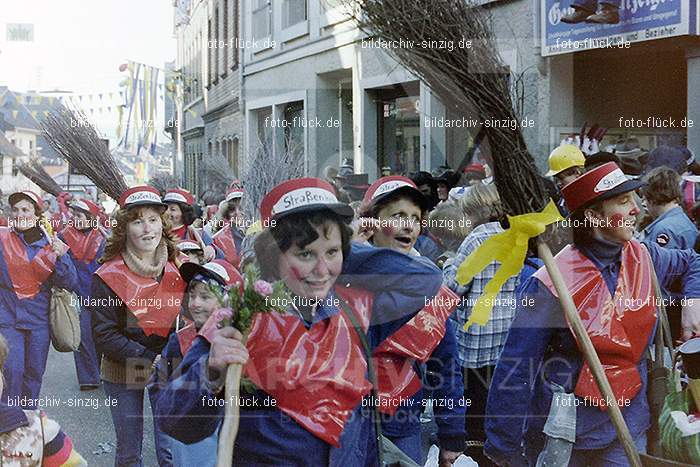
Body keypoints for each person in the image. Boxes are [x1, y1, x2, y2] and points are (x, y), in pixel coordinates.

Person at [152, 177, 443, 465]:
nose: (321, 270)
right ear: (275, 256)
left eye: (331, 253)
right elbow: (176, 421)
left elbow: (426, 279)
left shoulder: (356, 313)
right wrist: (209, 373)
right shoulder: (241, 315)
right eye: (304, 253)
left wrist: (343, 246)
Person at [484, 162, 700, 466]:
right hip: (566, 433)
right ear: (594, 215)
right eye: (624, 201)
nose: (638, 209)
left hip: (630, 423)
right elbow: (516, 367)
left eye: (636, 198)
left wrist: (693, 302)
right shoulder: (550, 284)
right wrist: (503, 447)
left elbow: (693, 261)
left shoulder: (645, 255)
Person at [359, 176, 465, 465]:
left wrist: (452, 435)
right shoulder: (337, 276)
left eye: (415, 218)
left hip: (402, 425)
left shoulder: (431, 287)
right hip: (346, 424)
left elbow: (446, 368)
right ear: (371, 223)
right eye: (398, 216)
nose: (408, 225)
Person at [89, 185, 185, 467]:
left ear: (163, 224)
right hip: (123, 367)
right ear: (124, 227)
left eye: (153, 219)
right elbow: (104, 335)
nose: (147, 229)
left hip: (167, 364)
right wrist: (148, 358)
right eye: (137, 220)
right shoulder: (107, 275)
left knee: (169, 451)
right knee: (130, 452)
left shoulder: (179, 266)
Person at [443, 183, 529, 466]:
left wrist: (447, 265)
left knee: (474, 406)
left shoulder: (477, 239)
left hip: (476, 337)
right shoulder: (516, 236)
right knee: (498, 403)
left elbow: (455, 285)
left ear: (473, 212)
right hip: (506, 332)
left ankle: (475, 454)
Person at [149, 259, 243, 467]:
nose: (195, 303)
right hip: (189, 448)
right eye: (192, 296)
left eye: (205, 296)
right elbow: (159, 391)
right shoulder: (179, 341)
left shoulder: (246, 343)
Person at [0, 191, 78, 408]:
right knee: (12, 371)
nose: (19, 214)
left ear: (37, 213)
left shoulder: (51, 241)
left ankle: (28, 422)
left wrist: (62, 257)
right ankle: (9, 423)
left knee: (34, 373)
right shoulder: (2, 238)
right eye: (15, 210)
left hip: (38, 319)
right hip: (7, 317)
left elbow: (70, 283)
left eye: (25, 209)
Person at [0, 332, 87, 466]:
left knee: (33, 375)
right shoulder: (44, 430)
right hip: (10, 317)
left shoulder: (45, 432)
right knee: (15, 371)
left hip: (37, 317)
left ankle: (19, 418)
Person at [640, 166, 699, 343]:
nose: (643, 203)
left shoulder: (664, 230)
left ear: (654, 195)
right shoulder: (682, 221)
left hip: (671, 312)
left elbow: (659, 280)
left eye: (645, 196)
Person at [59, 198, 106, 390]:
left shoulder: (102, 238)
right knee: (83, 336)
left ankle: (101, 370)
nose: (75, 219)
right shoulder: (64, 238)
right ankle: (89, 378)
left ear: (90, 218)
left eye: (79, 215)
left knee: (100, 336)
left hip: (101, 296)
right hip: (77, 296)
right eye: (73, 215)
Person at [163, 188, 216, 263]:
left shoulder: (198, 234)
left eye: (173, 209)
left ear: (184, 213)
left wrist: (212, 249)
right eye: (166, 208)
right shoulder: (157, 234)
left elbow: (220, 254)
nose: (167, 213)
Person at [545, 145, 586, 216]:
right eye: (556, 179)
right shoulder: (561, 201)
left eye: (561, 178)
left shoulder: (589, 203)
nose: (558, 183)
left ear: (577, 173)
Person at [211, 188, 245, 269]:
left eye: (241, 208)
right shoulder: (218, 239)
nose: (237, 213)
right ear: (227, 212)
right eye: (232, 209)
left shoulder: (258, 233)